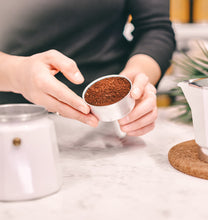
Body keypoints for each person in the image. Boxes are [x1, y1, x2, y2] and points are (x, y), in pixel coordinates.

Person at [0, 0, 175, 136]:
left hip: (112, 124)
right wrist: (16, 74)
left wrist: (139, 74)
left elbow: (155, 28)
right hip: (10, 117)